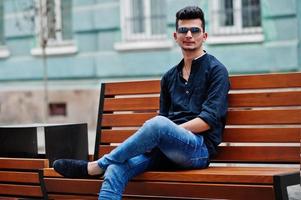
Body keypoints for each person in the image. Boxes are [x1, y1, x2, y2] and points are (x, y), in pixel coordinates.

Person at [53, 6, 230, 200]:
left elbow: (207, 120)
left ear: (204, 36)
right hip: (165, 150)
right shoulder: (169, 77)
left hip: (198, 150)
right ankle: (106, 166)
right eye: (183, 30)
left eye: (194, 30)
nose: (188, 35)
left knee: (158, 125)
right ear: (175, 35)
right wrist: (162, 135)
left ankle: (97, 165)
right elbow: (163, 117)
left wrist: (166, 132)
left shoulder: (216, 70)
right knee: (116, 169)